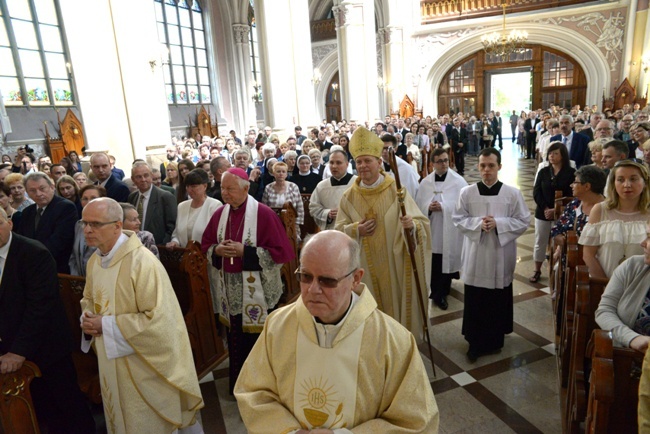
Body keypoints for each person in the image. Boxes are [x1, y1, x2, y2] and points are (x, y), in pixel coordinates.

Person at [233, 231, 439, 433]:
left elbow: (416, 421)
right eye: (306, 277)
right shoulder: (277, 326)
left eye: (327, 280)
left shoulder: (393, 341)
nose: (313, 289)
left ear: (356, 278)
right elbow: (253, 393)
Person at [79, 198, 203, 432]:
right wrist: (87, 320)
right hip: (111, 361)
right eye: (84, 223)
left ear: (117, 225)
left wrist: (105, 324)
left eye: (95, 224)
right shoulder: (96, 261)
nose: (87, 230)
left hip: (144, 365)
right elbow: (88, 299)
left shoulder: (142, 262)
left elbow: (160, 321)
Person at [0, 208, 96, 434]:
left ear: (10, 223)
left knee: (67, 407)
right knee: (38, 412)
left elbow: (40, 307)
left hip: (46, 347)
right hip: (10, 345)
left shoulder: (34, 253)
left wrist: (18, 351)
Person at [201, 168, 295, 393]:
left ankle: (265, 389)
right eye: (222, 188)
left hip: (258, 292)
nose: (225, 193)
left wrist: (246, 252)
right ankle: (240, 386)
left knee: (260, 341)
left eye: (230, 188)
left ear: (246, 188)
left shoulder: (263, 214)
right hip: (231, 291)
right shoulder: (220, 214)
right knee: (236, 339)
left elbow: (281, 253)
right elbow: (206, 245)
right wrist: (217, 251)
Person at [335, 127, 430, 337]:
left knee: (395, 317)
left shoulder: (397, 191)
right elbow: (338, 232)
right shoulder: (348, 197)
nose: (362, 166)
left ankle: (399, 347)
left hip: (394, 266)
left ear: (380, 162)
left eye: (367, 160)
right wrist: (355, 230)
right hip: (364, 270)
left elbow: (421, 223)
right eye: (358, 162)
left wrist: (411, 227)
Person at [453, 148, 530, 361]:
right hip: (476, 255)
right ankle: (474, 342)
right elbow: (458, 219)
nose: (486, 170)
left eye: (491, 166)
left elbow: (523, 220)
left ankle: (495, 340)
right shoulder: (466, 193)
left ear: (499, 167)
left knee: (496, 298)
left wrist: (499, 224)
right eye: (483, 166)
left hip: (500, 254)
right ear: (478, 167)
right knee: (476, 298)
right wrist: (478, 224)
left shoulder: (512, 193)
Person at [416, 148, 468, 310]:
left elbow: (463, 206)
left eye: (446, 160)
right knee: (435, 261)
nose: (444, 164)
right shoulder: (425, 183)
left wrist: (444, 206)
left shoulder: (458, 181)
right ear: (432, 164)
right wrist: (428, 207)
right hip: (432, 228)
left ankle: (442, 293)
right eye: (440, 161)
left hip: (449, 229)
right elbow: (418, 205)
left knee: (447, 258)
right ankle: (435, 290)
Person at [580, 160, 649, 279]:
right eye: (620, 180)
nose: (627, 185)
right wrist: (606, 285)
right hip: (605, 283)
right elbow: (588, 255)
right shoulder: (600, 210)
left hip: (642, 287)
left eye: (633, 179)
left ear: (645, 183)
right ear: (613, 183)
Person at [595, 226, 650, 351]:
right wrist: (632, 338)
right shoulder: (632, 266)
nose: (642, 243)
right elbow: (604, 310)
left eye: (649, 237)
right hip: (624, 360)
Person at [530, 142, 576, 283]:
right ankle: (537, 270)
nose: (552, 156)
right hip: (543, 212)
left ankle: (557, 270)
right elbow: (536, 192)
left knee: (558, 242)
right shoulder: (544, 171)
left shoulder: (570, 173)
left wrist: (556, 210)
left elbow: (572, 195)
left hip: (562, 213)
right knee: (540, 241)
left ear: (563, 156)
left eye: (555, 153)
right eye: (550, 153)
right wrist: (545, 209)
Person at [15, 172, 77, 273]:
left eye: (42, 188)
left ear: (52, 187)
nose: (38, 194)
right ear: (27, 192)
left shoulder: (65, 207)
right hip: (31, 268)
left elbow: (59, 241)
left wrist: (32, 259)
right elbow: (21, 239)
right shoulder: (27, 212)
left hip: (56, 267)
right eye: (32, 190)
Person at [167, 169, 221, 249]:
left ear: (205, 186)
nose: (189, 190)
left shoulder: (215, 205)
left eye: (193, 186)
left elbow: (216, 236)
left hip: (205, 257)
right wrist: (175, 242)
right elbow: (177, 234)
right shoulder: (182, 206)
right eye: (187, 186)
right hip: (185, 257)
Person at [127, 161, 177, 244]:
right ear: (133, 179)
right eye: (139, 177)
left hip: (158, 248)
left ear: (151, 176)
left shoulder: (165, 197)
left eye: (146, 175)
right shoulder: (132, 197)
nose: (143, 180)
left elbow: (172, 226)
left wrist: (163, 245)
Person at [309, 150, 356, 230]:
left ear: (347, 164)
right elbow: (313, 208)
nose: (334, 166)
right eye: (331, 163)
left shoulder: (357, 183)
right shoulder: (322, 186)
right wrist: (327, 214)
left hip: (353, 230)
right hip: (331, 231)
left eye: (338, 163)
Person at [69, 184, 107, 276]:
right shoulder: (78, 225)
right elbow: (74, 256)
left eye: (93, 198)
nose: (89, 202)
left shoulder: (108, 224)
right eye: (85, 199)